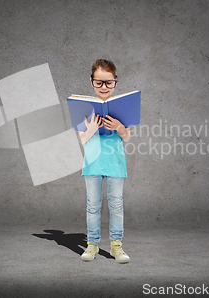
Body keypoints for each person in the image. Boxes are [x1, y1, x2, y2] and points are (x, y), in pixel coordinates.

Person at [78, 59, 131, 264]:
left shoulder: (123, 108)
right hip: (92, 164)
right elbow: (81, 140)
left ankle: (116, 246)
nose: (104, 87)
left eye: (108, 83)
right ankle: (92, 245)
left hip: (115, 163)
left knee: (116, 205)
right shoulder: (84, 109)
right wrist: (91, 129)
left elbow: (126, 137)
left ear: (115, 82)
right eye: (99, 82)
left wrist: (118, 126)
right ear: (92, 83)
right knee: (93, 205)